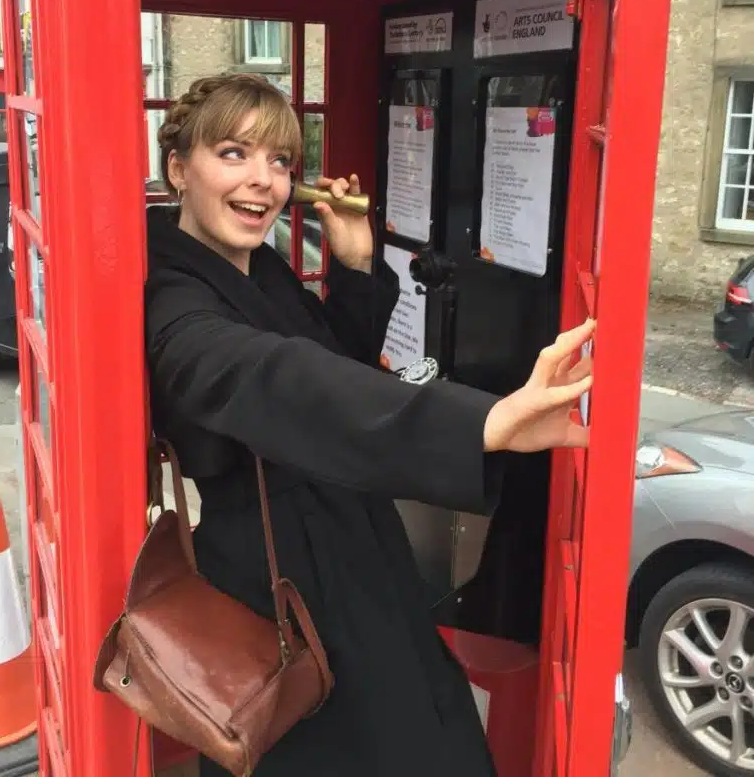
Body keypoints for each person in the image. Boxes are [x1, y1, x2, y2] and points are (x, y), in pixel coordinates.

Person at [145, 73, 594, 777]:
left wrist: (355, 264)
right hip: (281, 584)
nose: (263, 180)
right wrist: (480, 423)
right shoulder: (172, 301)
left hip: (352, 545)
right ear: (179, 169)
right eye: (233, 153)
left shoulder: (256, 266)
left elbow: (335, 365)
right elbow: (281, 379)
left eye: (280, 161)